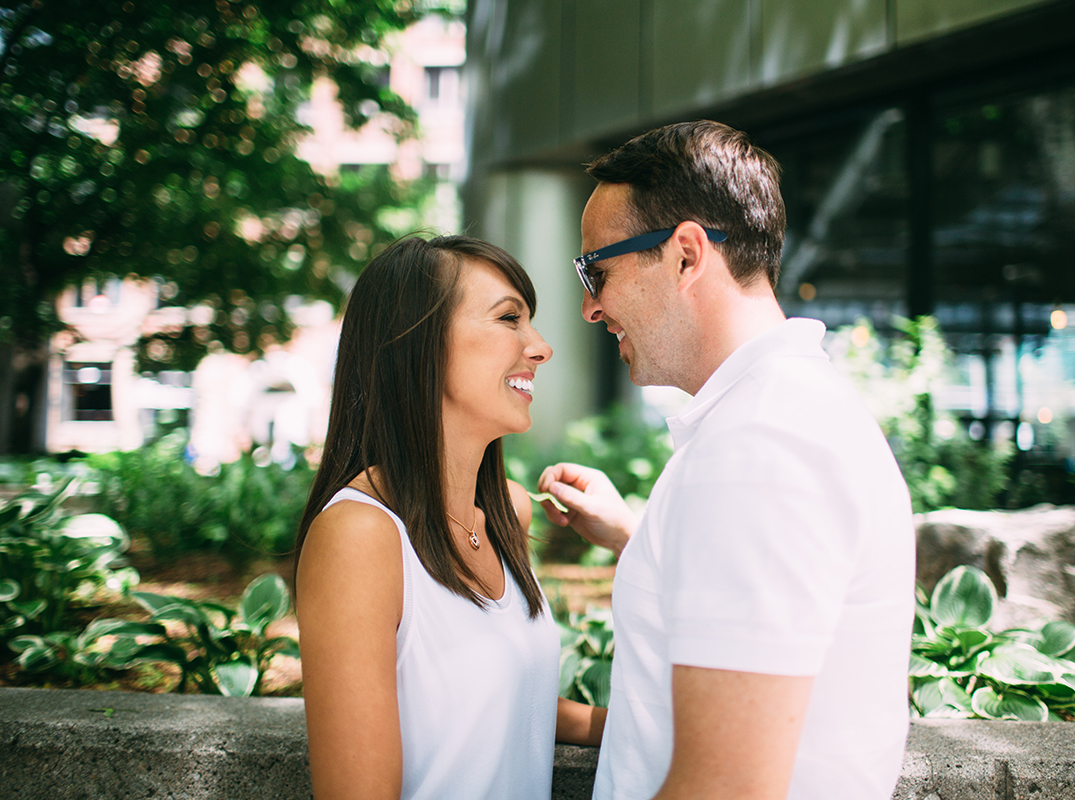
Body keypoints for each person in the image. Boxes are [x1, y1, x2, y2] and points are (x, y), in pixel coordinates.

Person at [537, 121, 915, 800]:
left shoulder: (760, 447)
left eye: (597, 270)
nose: (591, 307)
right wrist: (636, 536)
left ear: (685, 255)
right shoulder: (779, 419)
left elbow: (725, 790)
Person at [294, 234, 605, 800]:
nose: (540, 347)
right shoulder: (360, 536)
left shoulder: (506, 511)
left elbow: (497, 696)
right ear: (418, 346)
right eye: (509, 318)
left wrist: (633, 729)